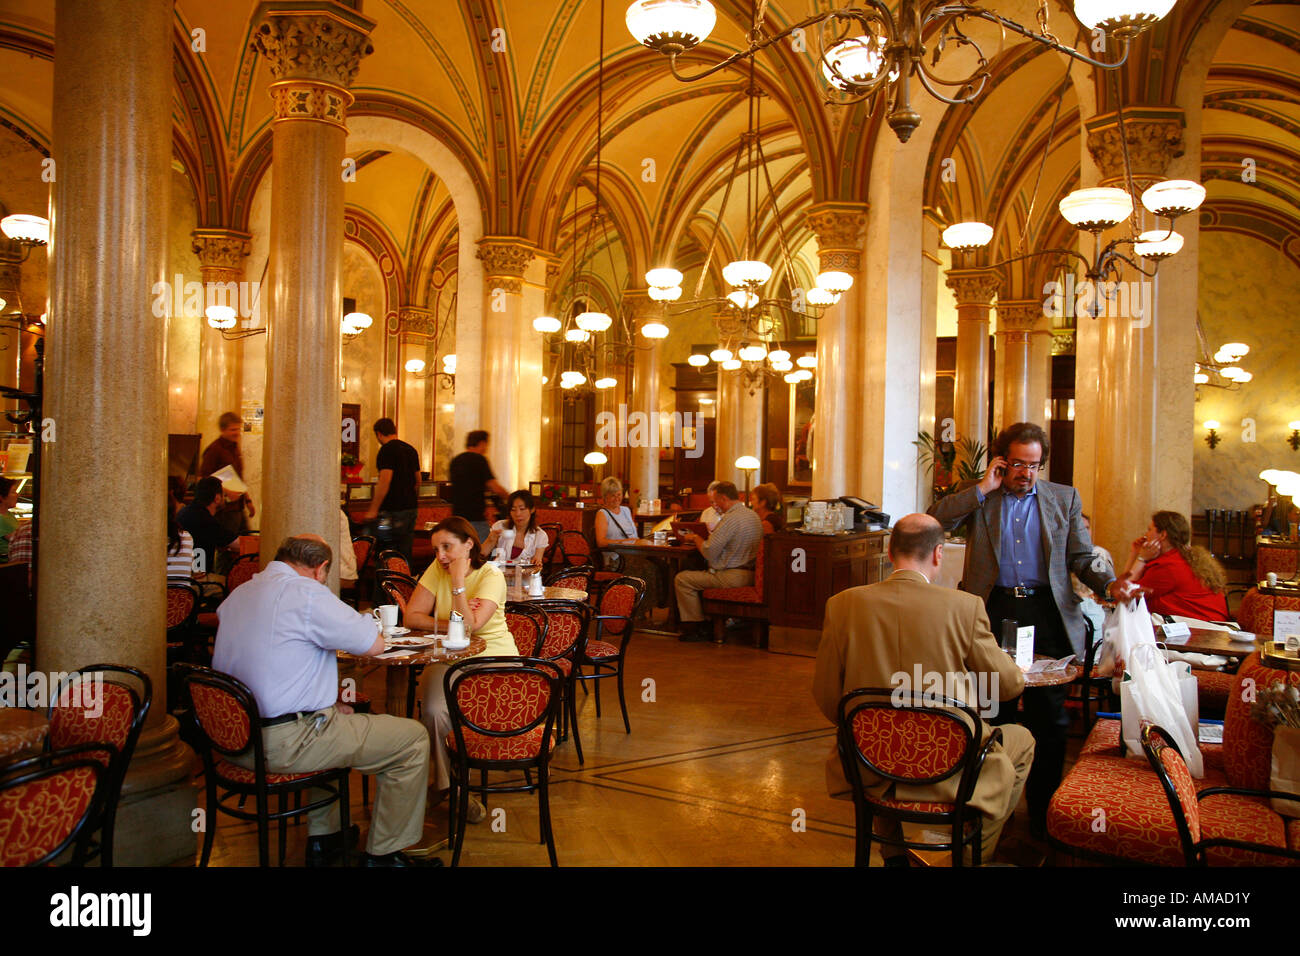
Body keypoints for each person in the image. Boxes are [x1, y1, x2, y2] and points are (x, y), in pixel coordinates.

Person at [928, 421, 1136, 839]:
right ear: (1003, 461)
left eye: (1034, 465)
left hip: (1046, 614)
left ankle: (1045, 813)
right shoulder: (982, 495)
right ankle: (989, 810)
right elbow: (935, 522)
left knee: (1050, 719)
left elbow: (1081, 556)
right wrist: (983, 488)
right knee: (992, 712)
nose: (1026, 473)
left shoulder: (1064, 498)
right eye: (1018, 464)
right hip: (994, 610)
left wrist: (1109, 583)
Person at [812, 514, 1033, 866]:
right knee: (1022, 741)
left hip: (871, 763)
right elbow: (1007, 687)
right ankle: (970, 854)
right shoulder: (965, 607)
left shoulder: (842, 606)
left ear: (889, 551)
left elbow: (826, 696)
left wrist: (876, 728)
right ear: (939, 554)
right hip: (949, 763)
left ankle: (895, 856)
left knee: (879, 727)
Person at [212, 535, 435, 866]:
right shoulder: (306, 593)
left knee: (332, 721)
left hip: (233, 740)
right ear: (321, 569)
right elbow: (371, 644)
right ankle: (385, 855)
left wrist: (326, 703)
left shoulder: (240, 593)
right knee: (413, 739)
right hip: (284, 744)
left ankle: (326, 840)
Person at [402, 518, 514, 822]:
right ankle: (452, 787)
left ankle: (442, 785)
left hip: (492, 658)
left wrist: (457, 583)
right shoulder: (436, 569)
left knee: (461, 711)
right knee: (435, 711)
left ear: (469, 544)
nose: (440, 555)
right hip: (449, 659)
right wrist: (447, 624)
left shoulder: (491, 575)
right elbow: (412, 616)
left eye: (447, 547)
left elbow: (470, 627)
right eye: (436, 548)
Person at [674, 480, 764, 644]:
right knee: (697, 573)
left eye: (716, 502)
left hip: (731, 576)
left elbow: (709, 551)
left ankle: (696, 627)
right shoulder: (753, 516)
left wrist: (695, 537)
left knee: (683, 579)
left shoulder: (730, 519)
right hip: (750, 574)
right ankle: (706, 621)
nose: (716, 506)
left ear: (724, 498)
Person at [1119, 510, 1229, 621]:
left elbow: (1125, 593)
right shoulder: (1184, 557)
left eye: (1149, 530)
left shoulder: (1168, 566)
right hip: (1208, 627)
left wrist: (1141, 559)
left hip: (1202, 630)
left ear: (1163, 535)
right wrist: (1135, 552)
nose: (1145, 535)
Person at [365, 418, 421, 563]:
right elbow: (418, 480)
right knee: (404, 552)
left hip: (391, 512)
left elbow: (385, 481)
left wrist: (373, 509)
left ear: (378, 434)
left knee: (386, 553)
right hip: (410, 509)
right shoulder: (411, 450)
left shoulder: (386, 450)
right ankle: (404, 583)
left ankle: (386, 585)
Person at [199, 412, 256, 551]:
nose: (236, 433)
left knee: (245, 543)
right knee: (227, 547)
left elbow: (238, 478)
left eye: (238, 429)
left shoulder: (234, 448)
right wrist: (227, 491)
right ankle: (223, 573)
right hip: (225, 509)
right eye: (233, 429)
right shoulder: (214, 450)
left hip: (238, 506)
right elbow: (204, 479)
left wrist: (248, 501)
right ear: (223, 430)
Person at [449, 430, 509, 542]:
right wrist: (511, 498)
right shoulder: (479, 460)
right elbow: (494, 487)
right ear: (482, 443)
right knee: (485, 549)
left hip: (457, 517)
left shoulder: (455, 461)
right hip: (475, 517)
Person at [177, 476, 238, 577]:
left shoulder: (186, 511)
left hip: (182, 576)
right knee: (228, 585)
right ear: (217, 498)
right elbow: (237, 544)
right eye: (224, 495)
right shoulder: (204, 519)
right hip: (196, 579)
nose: (225, 498)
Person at [481, 490, 547, 566]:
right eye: (513, 509)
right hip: (500, 574)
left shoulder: (540, 535)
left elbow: (537, 561)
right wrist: (490, 539)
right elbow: (482, 554)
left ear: (532, 510)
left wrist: (537, 562)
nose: (517, 514)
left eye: (522, 509)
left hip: (524, 575)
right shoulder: (500, 526)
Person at [167, 505, 197, 579]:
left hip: (156, 590)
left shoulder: (150, 539)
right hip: (184, 589)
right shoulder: (186, 536)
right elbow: (192, 569)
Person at [0, 477, 19, 562]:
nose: (17, 495)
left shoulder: (9, 515)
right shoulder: (1, 520)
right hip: (7, 565)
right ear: (2, 497)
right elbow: (18, 540)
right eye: (13, 492)